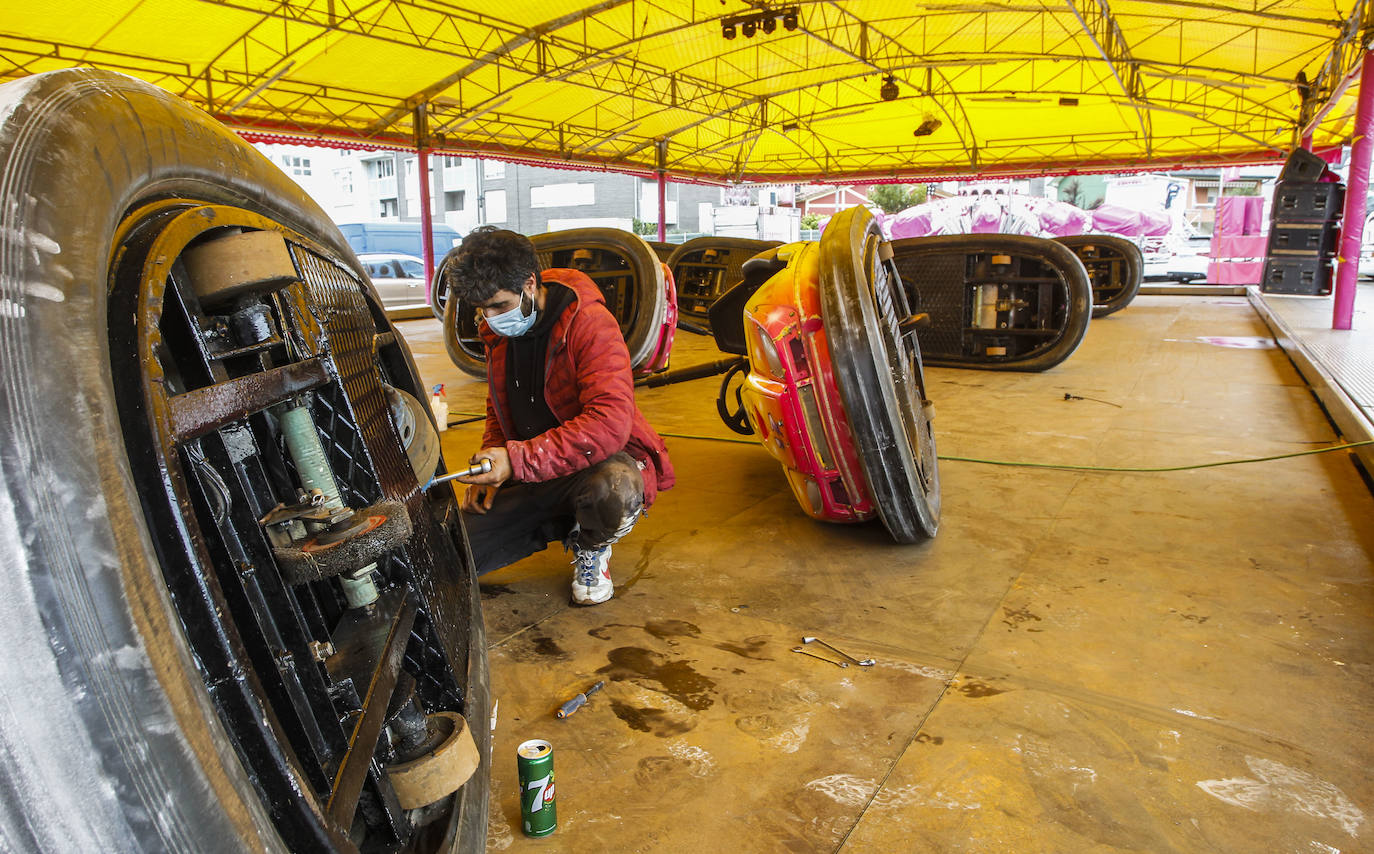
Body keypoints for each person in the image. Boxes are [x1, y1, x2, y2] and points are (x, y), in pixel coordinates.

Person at [446, 227, 674, 605]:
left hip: (591, 464)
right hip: (535, 469)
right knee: (450, 554)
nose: (490, 318)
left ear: (530, 284)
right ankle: (563, 518)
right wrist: (492, 459)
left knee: (613, 490)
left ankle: (592, 544)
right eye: (482, 309)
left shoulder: (589, 323)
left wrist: (515, 461)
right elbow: (498, 404)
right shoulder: (497, 332)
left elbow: (610, 423)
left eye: (500, 306)